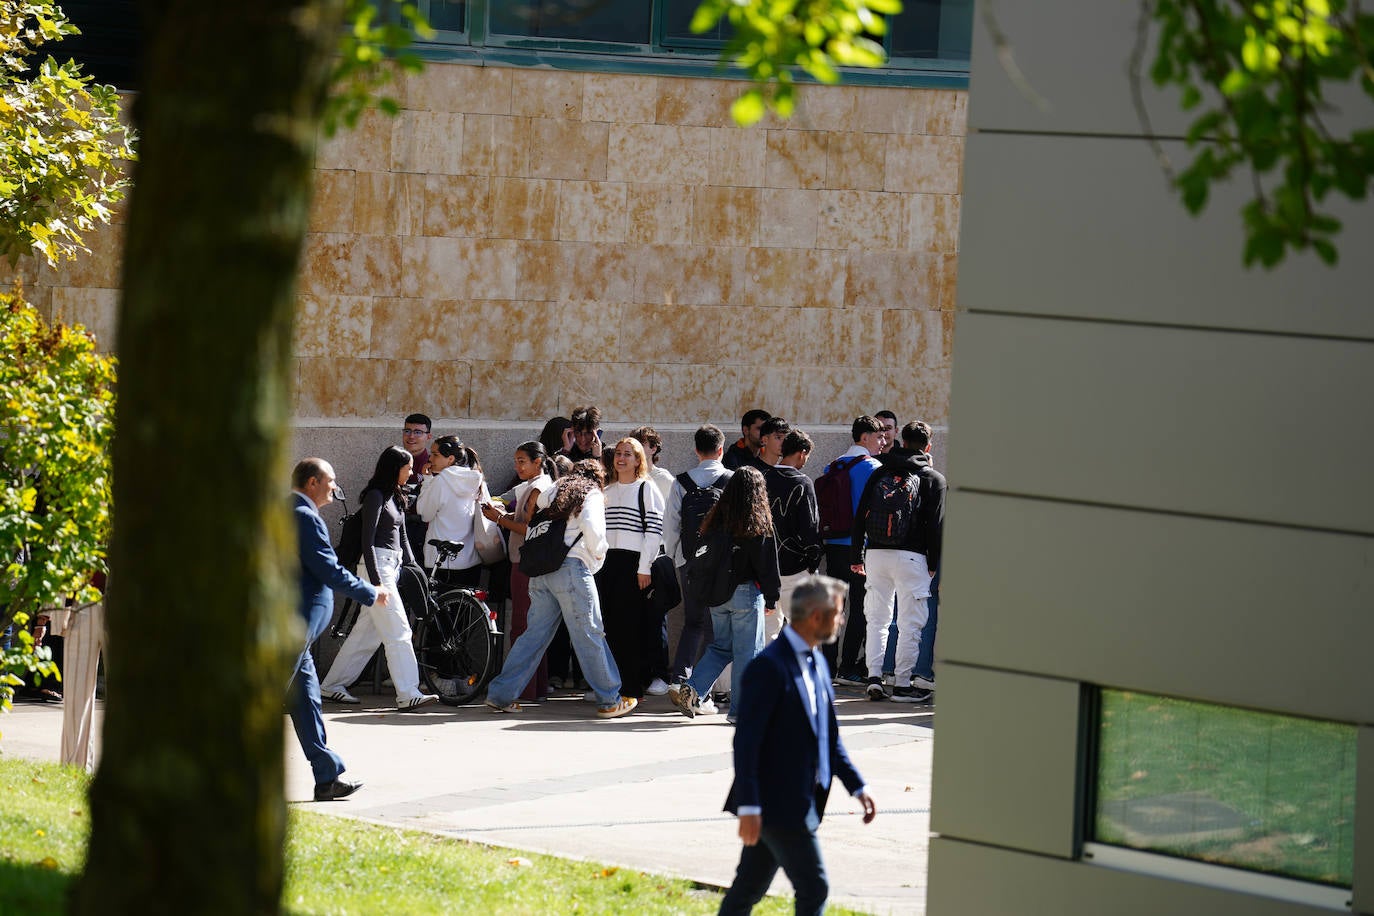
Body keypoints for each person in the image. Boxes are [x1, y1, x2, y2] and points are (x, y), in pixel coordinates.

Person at [718, 574, 876, 915]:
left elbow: (828, 737)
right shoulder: (768, 667)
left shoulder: (817, 659)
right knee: (814, 889)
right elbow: (746, 743)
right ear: (816, 617)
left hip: (799, 798)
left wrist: (857, 786)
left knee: (747, 888)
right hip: (778, 804)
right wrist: (749, 806)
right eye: (838, 613)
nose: (843, 619)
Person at [483, 460, 638, 719]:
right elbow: (594, 530)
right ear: (597, 479)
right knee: (590, 634)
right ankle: (610, 700)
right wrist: (598, 558)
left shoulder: (552, 492)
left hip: (541, 572)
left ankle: (500, 695)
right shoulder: (592, 494)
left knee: (533, 636)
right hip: (572, 569)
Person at [290, 458, 385, 800]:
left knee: (307, 702)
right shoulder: (302, 516)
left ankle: (328, 777)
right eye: (330, 480)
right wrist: (370, 592)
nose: (335, 486)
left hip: (298, 633)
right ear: (313, 482)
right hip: (292, 626)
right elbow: (328, 569)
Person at [319, 446, 438, 710]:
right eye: (407, 468)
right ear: (394, 468)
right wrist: (376, 582)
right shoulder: (375, 496)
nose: (411, 472)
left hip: (393, 566)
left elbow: (403, 536)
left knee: (367, 634)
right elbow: (367, 541)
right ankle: (408, 693)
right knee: (399, 631)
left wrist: (414, 568)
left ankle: (331, 686)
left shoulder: (396, 495)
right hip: (378, 568)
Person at [668, 466, 780, 723]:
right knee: (747, 652)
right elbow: (767, 563)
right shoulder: (757, 520)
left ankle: (693, 687)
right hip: (745, 594)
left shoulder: (715, 518)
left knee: (721, 647)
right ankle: (741, 711)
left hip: (717, 596)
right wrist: (772, 597)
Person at [849, 421, 946, 703]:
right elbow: (936, 526)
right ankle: (903, 684)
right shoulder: (933, 479)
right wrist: (933, 563)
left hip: (876, 554)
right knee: (910, 623)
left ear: (902, 442)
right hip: (913, 557)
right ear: (928, 446)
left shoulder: (880, 471)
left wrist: (857, 556)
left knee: (877, 619)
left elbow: (860, 516)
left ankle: (874, 677)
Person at [482, 440, 558, 702]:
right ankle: (534, 688)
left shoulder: (539, 487)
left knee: (523, 627)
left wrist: (499, 519)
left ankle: (523, 690)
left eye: (522, 461)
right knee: (533, 627)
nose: (517, 466)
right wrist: (501, 507)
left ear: (538, 462)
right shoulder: (530, 484)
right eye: (516, 461)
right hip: (527, 562)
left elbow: (529, 529)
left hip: (527, 562)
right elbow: (501, 498)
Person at [662, 424, 734, 691]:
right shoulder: (733, 479)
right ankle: (701, 686)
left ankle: (679, 679)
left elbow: (670, 526)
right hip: (722, 564)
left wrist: (676, 558)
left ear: (696, 450)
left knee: (693, 622)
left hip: (690, 561)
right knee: (716, 625)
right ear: (720, 449)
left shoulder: (681, 481)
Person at [598, 437, 668, 699]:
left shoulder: (646, 488)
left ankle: (632, 686)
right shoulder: (607, 490)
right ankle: (614, 684)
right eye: (618, 453)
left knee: (632, 626)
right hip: (608, 562)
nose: (621, 458)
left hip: (635, 564)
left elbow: (654, 531)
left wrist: (644, 567)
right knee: (612, 626)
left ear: (638, 460)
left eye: (628, 454)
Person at [823, 416, 884, 684]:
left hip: (834, 545)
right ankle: (847, 668)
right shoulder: (872, 467)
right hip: (861, 548)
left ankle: (826, 667)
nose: (882, 442)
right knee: (860, 608)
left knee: (833, 608)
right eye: (878, 437)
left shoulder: (833, 465)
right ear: (864, 437)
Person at [764, 428, 822, 641]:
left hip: (765, 569)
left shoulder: (762, 478)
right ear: (802, 452)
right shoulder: (802, 482)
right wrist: (812, 562)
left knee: (766, 634)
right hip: (796, 567)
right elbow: (810, 527)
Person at [416, 435, 485, 588]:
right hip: (471, 558)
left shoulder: (441, 481)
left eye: (435, 454)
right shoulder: (477, 478)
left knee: (441, 609)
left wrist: (427, 481)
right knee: (465, 609)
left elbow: (424, 513)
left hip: (443, 560)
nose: (430, 459)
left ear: (450, 459)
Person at [400, 413, 433, 559]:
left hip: (423, 533)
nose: (411, 436)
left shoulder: (433, 464)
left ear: (428, 436)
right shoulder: (394, 461)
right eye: (407, 431)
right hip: (397, 528)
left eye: (418, 432)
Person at [629, 425, 676, 502]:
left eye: (641, 445)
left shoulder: (664, 479)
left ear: (653, 449)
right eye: (633, 445)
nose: (635, 449)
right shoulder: (625, 476)